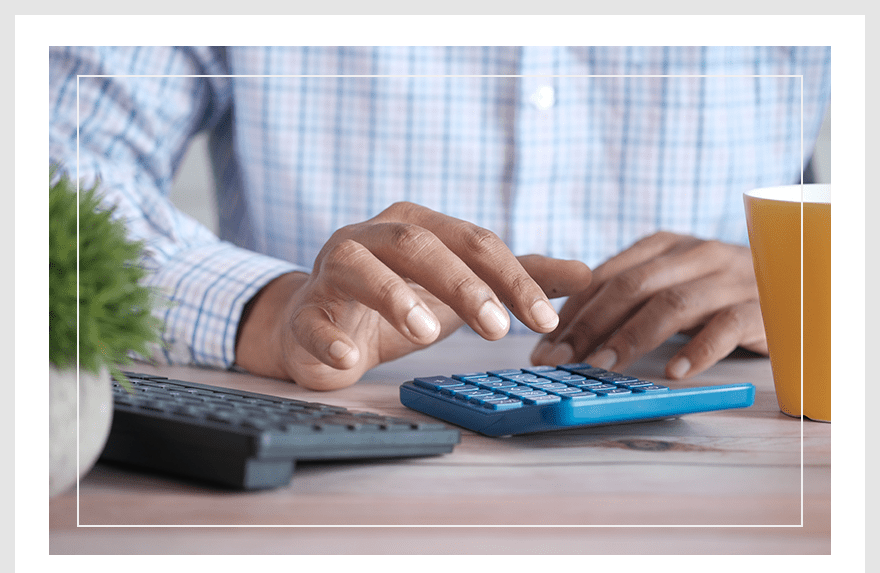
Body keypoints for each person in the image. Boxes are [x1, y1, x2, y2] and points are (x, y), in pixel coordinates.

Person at [48, 46, 831, 391]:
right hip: (317, 482)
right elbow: (50, 177)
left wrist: (822, 283)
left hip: (732, 491)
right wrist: (266, 308)